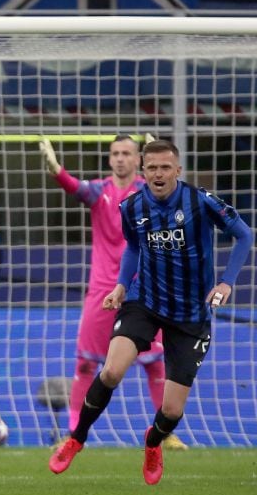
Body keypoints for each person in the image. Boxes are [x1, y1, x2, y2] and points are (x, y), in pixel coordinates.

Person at [49, 140, 253, 485]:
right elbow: (132, 247)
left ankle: (154, 441)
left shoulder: (199, 202)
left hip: (190, 314)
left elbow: (244, 235)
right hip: (145, 302)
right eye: (152, 168)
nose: (158, 174)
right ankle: (76, 439)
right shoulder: (132, 206)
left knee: (172, 410)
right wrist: (121, 286)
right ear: (144, 172)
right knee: (111, 371)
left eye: (165, 167)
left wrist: (226, 282)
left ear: (178, 171)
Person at [40, 134, 187, 451]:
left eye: (127, 153)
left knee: (156, 363)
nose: (120, 159)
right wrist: (57, 171)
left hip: (144, 291)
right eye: (115, 153)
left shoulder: (149, 192)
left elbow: (175, 194)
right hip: (101, 293)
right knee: (85, 364)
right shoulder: (100, 191)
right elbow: (76, 188)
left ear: (139, 161)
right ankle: (74, 432)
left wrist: (159, 156)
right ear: (109, 159)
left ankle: (164, 431)